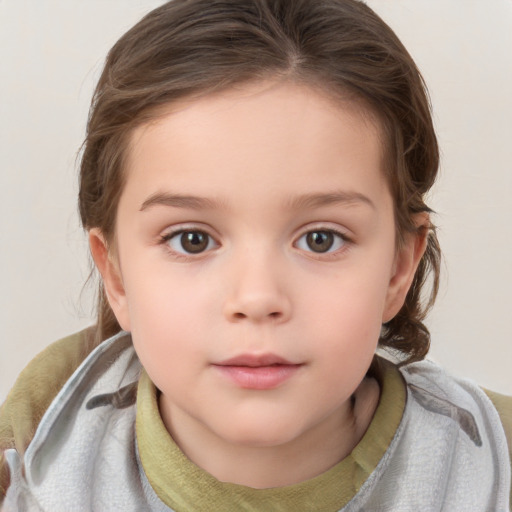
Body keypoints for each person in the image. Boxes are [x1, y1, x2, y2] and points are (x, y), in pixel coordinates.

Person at [1, 0, 510, 510]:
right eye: (192, 239)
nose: (257, 297)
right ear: (115, 274)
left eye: (320, 239)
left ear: (399, 268)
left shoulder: (494, 462)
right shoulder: (36, 438)